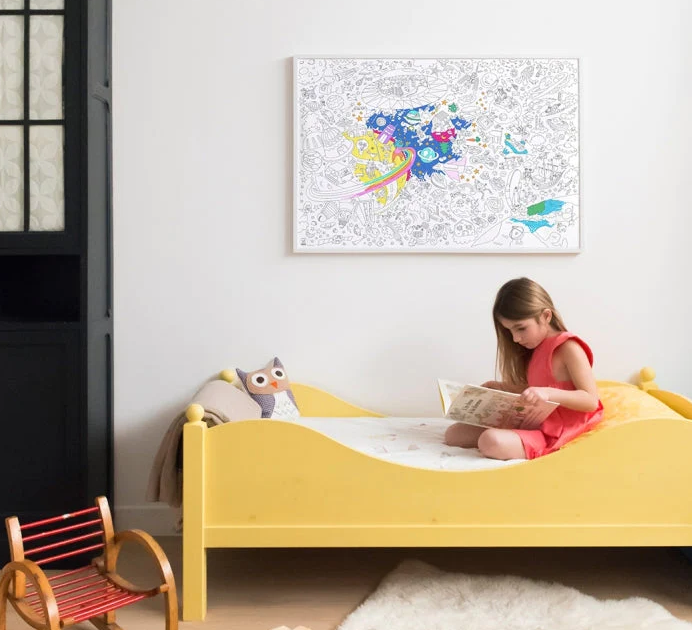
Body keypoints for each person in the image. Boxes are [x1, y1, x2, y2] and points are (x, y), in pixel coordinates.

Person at [444, 277, 603, 460]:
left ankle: (520, 441)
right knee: (454, 434)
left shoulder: (569, 348)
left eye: (520, 328)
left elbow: (591, 400)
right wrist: (501, 388)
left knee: (490, 441)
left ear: (546, 316)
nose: (515, 338)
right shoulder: (536, 348)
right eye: (509, 330)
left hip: (558, 430)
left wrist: (548, 393)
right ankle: (515, 436)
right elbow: (538, 388)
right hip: (536, 421)